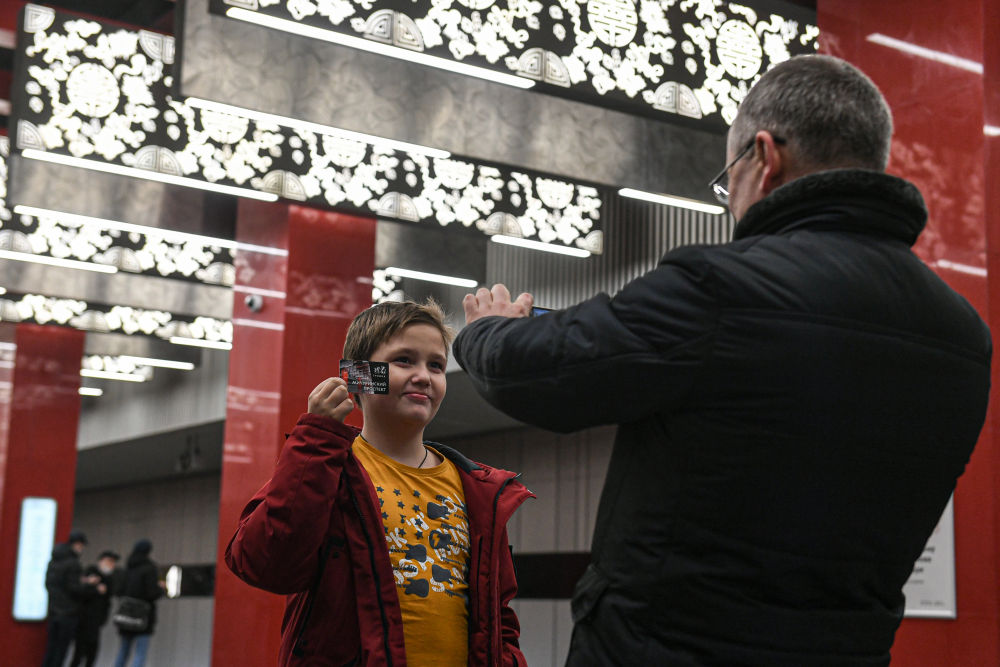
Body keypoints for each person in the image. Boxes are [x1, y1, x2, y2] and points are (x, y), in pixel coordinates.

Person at [453, 54, 992, 666]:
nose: (731, 199)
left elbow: (534, 371)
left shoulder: (721, 288)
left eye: (727, 177)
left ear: (764, 157)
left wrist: (486, 330)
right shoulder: (962, 335)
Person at [226, 299, 534, 666]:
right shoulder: (326, 467)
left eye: (436, 365)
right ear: (358, 374)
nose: (424, 376)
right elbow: (266, 564)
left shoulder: (478, 489)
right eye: (404, 360)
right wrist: (315, 438)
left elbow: (498, 618)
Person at [41, 530, 102, 667]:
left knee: (51, 648)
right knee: (61, 650)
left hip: (53, 611)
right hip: (68, 613)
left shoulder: (53, 562)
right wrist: (89, 585)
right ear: (77, 544)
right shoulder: (73, 564)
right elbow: (75, 589)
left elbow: (49, 584)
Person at [114, 539, 164, 667]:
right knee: (140, 653)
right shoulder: (150, 568)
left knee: (123, 651)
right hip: (143, 617)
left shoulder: (127, 568)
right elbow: (152, 593)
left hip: (126, 616)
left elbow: (118, 591)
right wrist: (161, 588)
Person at [70, 550, 120, 667]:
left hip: (97, 621)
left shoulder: (109, 579)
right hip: (83, 620)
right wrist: (93, 587)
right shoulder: (90, 573)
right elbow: (79, 593)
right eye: (109, 561)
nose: (111, 565)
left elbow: (108, 598)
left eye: (113, 563)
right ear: (101, 561)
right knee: (79, 653)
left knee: (92, 653)